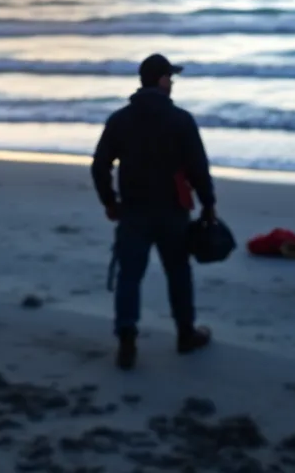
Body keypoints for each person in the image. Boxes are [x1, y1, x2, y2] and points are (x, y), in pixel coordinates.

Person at [90, 53, 218, 370]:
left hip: (133, 209)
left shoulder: (120, 119)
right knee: (178, 273)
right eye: (170, 78)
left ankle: (127, 340)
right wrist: (208, 204)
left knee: (129, 276)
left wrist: (109, 201)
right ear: (160, 80)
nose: (172, 83)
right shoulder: (181, 120)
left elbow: (100, 166)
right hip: (172, 210)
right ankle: (185, 334)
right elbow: (198, 168)